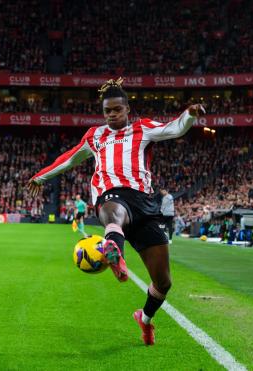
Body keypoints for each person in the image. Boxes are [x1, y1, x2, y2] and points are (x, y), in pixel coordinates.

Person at [27, 77, 205, 345]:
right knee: (114, 211)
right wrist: (40, 177)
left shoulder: (142, 128)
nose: (111, 115)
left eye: (116, 110)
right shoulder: (95, 136)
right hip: (110, 194)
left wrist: (189, 115)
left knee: (163, 283)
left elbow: (174, 129)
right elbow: (69, 158)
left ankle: (144, 319)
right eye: (107, 111)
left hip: (144, 204)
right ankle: (115, 253)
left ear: (127, 109)